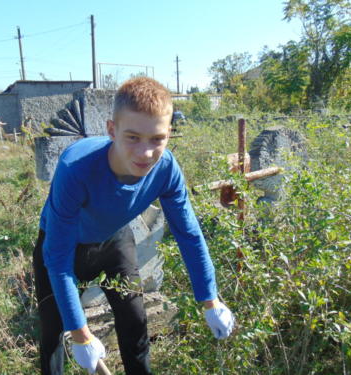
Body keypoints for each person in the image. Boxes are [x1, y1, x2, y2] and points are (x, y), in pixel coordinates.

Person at [33, 77, 234, 375]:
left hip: (114, 239)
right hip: (63, 245)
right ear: (112, 130)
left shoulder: (166, 170)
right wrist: (80, 333)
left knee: (135, 320)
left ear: (169, 134)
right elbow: (58, 259)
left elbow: (188, 234)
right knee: (53, 330)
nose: (145, 153)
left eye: (157, 139)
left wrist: (210, 299)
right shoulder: (76, 169)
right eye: (132, 137)